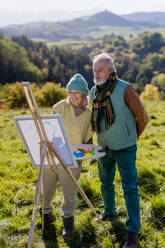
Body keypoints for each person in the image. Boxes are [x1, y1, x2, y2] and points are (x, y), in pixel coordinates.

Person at [89, 52, 149, 248]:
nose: (97, 73)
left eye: (101, 70)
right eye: (94, 70)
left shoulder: (126, 89)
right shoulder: (94, 92)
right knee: (105, 182)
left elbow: (142, 116)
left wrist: (131, 138)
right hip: (103, 147)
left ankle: (132, 233)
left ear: (111, 71)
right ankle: (109, 211)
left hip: (125, 148)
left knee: (130, 188)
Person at [40, 74, 93, 237]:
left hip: (73, 159)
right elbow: (48, 128)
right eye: (70, 93)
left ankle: (68, 222)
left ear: (84, 95)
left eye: (76, 93)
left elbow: (89, 139)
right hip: (53, 156)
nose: (72, 96)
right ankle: (46, 213)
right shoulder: (60, 106)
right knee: (46, 188)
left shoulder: (89, 114)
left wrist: (86, 156)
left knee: (70, 192)